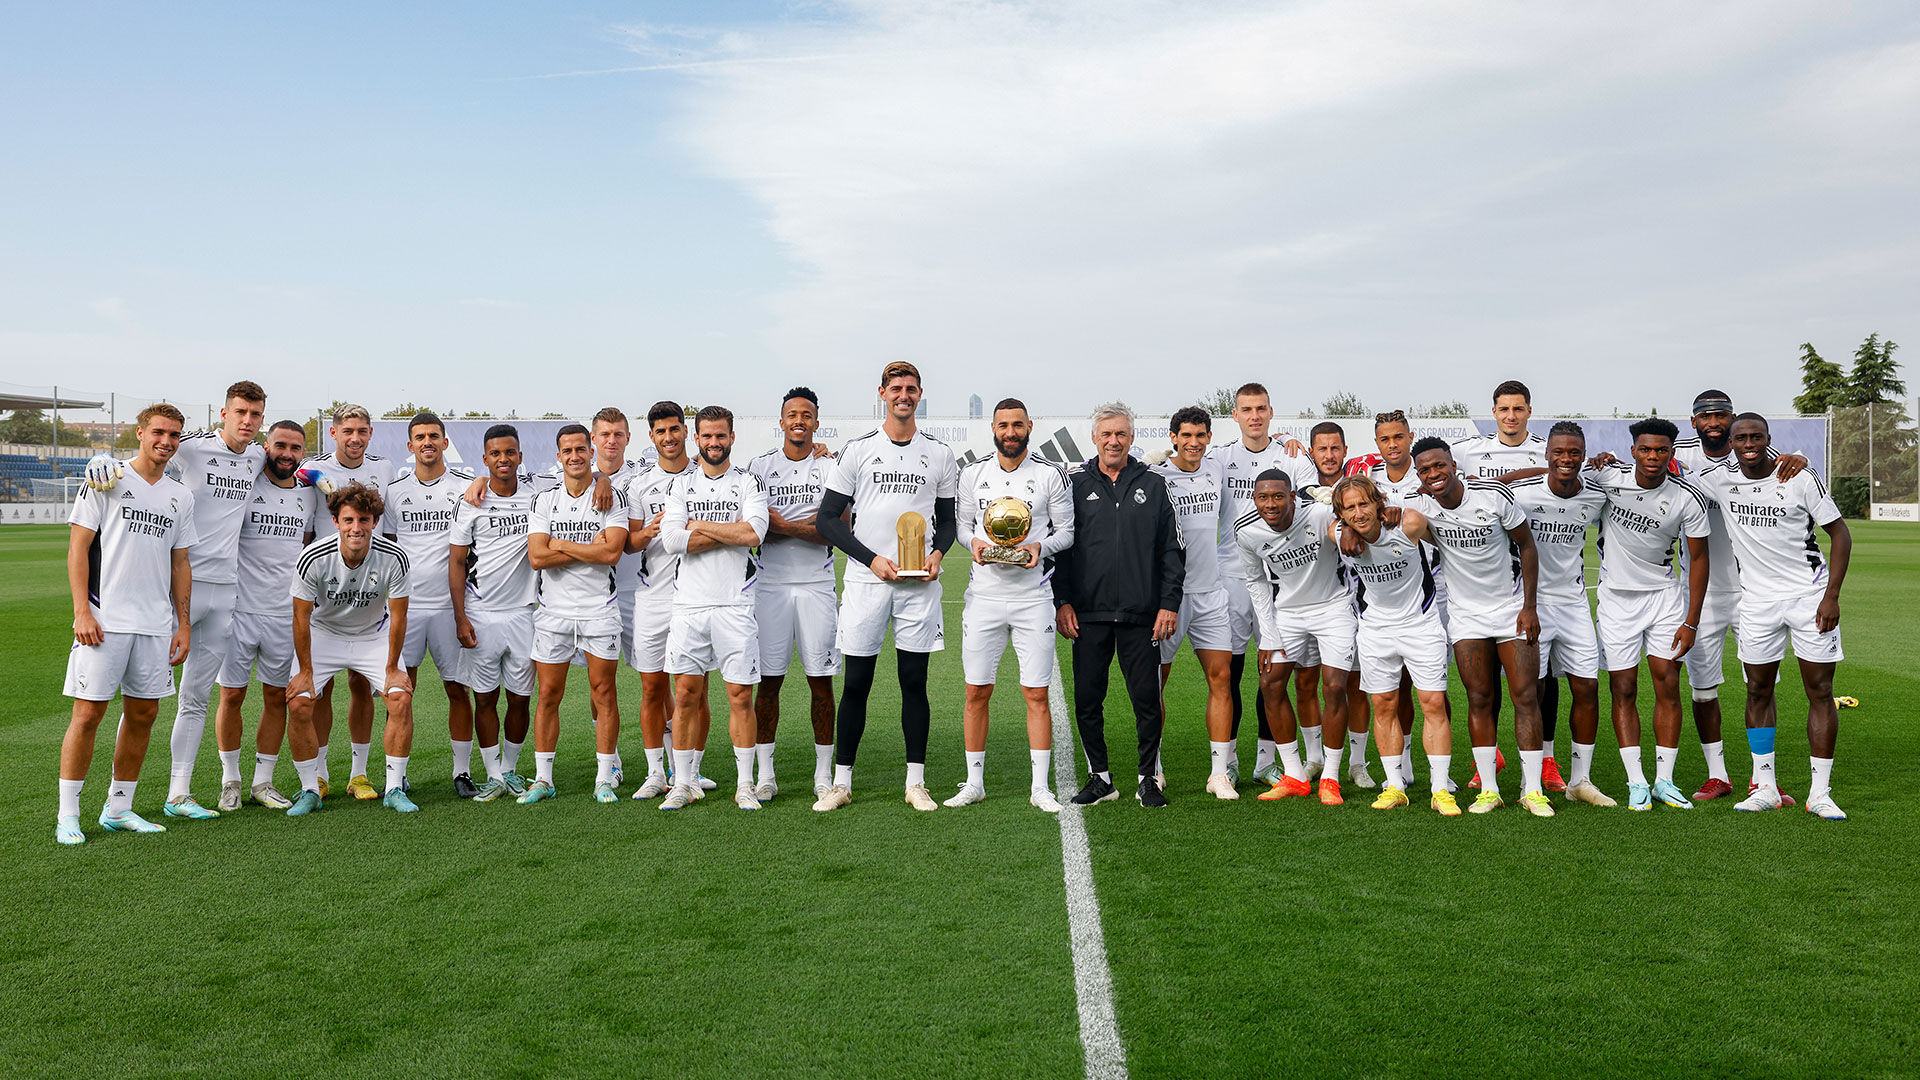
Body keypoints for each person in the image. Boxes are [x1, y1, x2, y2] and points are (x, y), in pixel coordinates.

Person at [84, 381, 266, 820]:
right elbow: (147, 454)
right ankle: (116, 800)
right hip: (174, 590)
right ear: (223, 413)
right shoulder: (191, 447)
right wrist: (102, 456)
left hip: (225, 593)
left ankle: (178, 794)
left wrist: (318, 478)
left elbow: (295, 465)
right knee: (140, 700)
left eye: (255, 415)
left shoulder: (258, 456)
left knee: (197, 697)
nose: (247, 421)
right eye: (239, 412)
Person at [812, 361, 960, 813]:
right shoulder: (858, 451)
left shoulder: (939, 454)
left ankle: (916, 782)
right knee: (856, 683)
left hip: (917, 586)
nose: (904, 395)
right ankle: (841, 783)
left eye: (911, 389)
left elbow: (949, 522)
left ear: (920, 394)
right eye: (896, 388)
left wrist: (936, 555)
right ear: (882, 393)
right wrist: (872, 560)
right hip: (866, 582)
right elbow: (826, 521)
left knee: (914, 682)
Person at [1695, 414, 1851, 819]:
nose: (1748, 443)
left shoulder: (1798, 476)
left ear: (1769, 439)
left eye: (1756, 436)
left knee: (1819, 691)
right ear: (1729, 443)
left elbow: (1840, 533)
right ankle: (1764, 785)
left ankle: (1820, 792)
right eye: (1740, 437)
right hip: (1757, 603)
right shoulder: (1718, 480)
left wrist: (1831, 597)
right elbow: (1663, 472)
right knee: (1757, 691)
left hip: (1808, 597)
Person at [55, 404, 196, 844]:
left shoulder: (180, 495)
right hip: (104, 620)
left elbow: (180, 562)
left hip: (154, 624)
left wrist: (183, 624)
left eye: (174, 435)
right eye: (158, 432)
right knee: (88, 714)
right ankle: (67, 815)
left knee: (143, 713)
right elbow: (78, 548)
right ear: (139, 432)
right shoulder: (106, 479)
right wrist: (82, 611)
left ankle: (119, 807)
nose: (166, 442)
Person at [1400, 437, 1551, 816]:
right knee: (1480, 699)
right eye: (1425, 470)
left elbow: (1528, 547)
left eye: (1439, 466)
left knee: (1525, 696)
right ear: (1418, 476)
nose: (1434, 474)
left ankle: (1532, 790)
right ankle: (1488, 789)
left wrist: (1530, 607)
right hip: (1466, 617)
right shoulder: (1420, 507)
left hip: (1511, 609)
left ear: (1453, 464)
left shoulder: (1493, 495)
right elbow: (1383, 515)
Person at [1055, 402, 1184, 808]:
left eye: (1121, 434)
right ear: (1094, 438)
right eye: (1106, 434)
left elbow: (1172, 550)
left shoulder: (1154, 484)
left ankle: (1148, 778)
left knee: (1146, 699)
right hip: (1088, 615)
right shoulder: (1074, 484)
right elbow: (1060, 550)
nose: (1114, 441)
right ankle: (1100, 778)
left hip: (1141, 615)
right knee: (1088, 699)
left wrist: (1168, 604)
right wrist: (1062, 602)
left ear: (1132, 438)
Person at [949, 398, 1075, 811]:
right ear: (993, 428)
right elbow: (963, 529)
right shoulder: (973, 474)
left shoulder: (1050, 474)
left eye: (1017, 424)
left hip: (1032, 597)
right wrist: (977, 544)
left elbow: (1068, 532)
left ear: (1029, 427)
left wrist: (1041, 545)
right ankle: (974, 782)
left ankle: (1040, 787)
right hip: (983, 597)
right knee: (975, 692)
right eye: (1003, 425)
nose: (1010, 432)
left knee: (1036, 693)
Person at [1593, 418, 1712, 811]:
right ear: (1632, 451)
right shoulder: (1608, 479)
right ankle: (1636, 781)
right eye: (1645, 449)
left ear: (1671, 454)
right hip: (1616, 603)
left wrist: (1691, 620)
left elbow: (1698, 558)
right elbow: (1556, 474)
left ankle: (1664, 779)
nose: (1653, 457)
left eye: (1661, 450)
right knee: (1623, 689)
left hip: (1664, 600)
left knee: (1667, 684)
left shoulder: (1686, 498)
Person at [657, 406, 770, 811]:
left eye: (721, 436)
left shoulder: (749, 482)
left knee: (740, 696)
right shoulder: (680, 487)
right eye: (707, 436)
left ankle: (745, 785)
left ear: (732, 438)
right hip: (688, 606)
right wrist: (727, 531)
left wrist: (698, 527)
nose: (714, 443)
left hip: (735, 605)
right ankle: (682, 784)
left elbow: (754, 532)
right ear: (697, 438)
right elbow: (671, 540)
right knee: (686, 694)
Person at [1328, 474, 1458, 814]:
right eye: (1350, 508)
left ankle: (1441, 789)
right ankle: (1395, 786)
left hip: (1421, 624)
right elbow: (1333, 529)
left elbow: (1426, 526)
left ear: (1377, 502)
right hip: (1375, 630)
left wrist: (1394, 512)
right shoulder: (1340, 533)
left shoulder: (1408, 523)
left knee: (1432, 703)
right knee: (1384, 705)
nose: (1358, 512)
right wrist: (1345, 531)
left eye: (1364, 503)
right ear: (1340, 514)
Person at [283, 483, 416, 815]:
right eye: (349, 520)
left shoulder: (394, 557)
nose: (356, 528)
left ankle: (395, 788)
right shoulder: (312, 556)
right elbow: (301, 616)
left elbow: (398, 616)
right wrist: (306, 672)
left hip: (372, 634)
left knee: (399, 698)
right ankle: (310, 788)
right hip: (324, 633)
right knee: (299, 704)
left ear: (374, 522)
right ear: (335, 522)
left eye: (364, 520)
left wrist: (392, 669)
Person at [1503, 422, 1616, 806]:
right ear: (1546, 454)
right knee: (1530, 692)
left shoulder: (1597, 496)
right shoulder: (1521, 494)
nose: (1566, 459)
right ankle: (1529, 782)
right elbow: (1490, 488)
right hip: (1528, 604)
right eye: (1558, 452)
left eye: (1574, 453)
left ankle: (1580, 781)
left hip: (1573, 604)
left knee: (1587, 687)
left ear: (1583, 455)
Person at [1208, 383, 1313, 785]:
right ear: (1234, 415)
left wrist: (1291, 442)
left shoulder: (1293, 457)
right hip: (1233, 577)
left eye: (1261, 409)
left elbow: (1308, 506)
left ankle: (1266, 760)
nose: (1254, 416)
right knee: (1230, 672)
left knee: (1274, 670)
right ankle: (1229, 759)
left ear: (1272, 412)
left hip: (1284, 582)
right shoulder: (1219, 459)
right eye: (1246, 409)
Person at [210, 419, 316, 810]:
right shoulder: (244, 486)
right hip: (237, 610)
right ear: (266, 446)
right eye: (280, 445)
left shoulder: (309, 495)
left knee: (276, 697)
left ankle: (263, 781)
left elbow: (305, 547)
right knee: (232, 695)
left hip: (283, 614)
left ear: (303, 453)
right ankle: (230, 780)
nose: (287, 454)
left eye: (295, 448)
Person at [1234, 469, 1356, 805]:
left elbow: (1343, 528)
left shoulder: (1317, 513)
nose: (1270, 504)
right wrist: (1269, 636)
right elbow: (1256, 581)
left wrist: (1341, 527)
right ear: (1254, 498)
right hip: (1288, 613)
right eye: (1262, 497)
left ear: (1292, 496)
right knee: (1271, 684)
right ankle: (1295, 775)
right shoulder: (1246, 531)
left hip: (1333, 607)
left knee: (1333, 686)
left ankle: (1330, 777)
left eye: (1277, 496)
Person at [524, 424, 630, 804]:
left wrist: (562, 544)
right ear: (558, 455)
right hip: (552, 612)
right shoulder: (543, 500)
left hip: (599, 610)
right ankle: (543, 779)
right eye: (567, 450)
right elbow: (537, 557)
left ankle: (604, 777)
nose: (574, 456)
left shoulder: (611, 497)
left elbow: (611, 554)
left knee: (603, 692)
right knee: (549, 693)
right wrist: (589, 547)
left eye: (580, 449)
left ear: (590, 452)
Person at [449, 424, 553, 801]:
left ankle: (510, 769)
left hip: (524, 613)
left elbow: (581, 473)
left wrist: (601, 481)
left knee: (521, 698)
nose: (503, 459)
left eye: (510, 452)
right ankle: (492, 774)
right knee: (484, 697)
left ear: (521, 456)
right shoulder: (469, 502)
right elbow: (457, 562)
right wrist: (461, 617)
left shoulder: (538, 497)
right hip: (481, 613)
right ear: (485, 459)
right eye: (495, 454)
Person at [746, 388, 841, 800]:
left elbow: (836, 528)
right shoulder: (759, 468)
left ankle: (823, 776)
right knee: (768, 683)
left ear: (816, 423)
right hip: (769, 586)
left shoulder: (830, 466)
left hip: (817, 586)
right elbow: (753, 526)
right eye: (792, 414)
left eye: (807, 415)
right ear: (781, 422)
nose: (799, 420)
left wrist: (783, 526)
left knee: (821, 682)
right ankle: (766, 773)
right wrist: (809, 525)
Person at [301, 403, 397, 801]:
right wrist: (319, 477)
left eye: (362, 431)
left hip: (367, 591)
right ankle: (319, 774)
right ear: (334, 433)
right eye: (347, 431)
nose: (355, 438)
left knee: (361, 684)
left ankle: (359, 774)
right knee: (318, 691)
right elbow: (297, 469)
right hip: (325, 590)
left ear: (370, 434)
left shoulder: (386, 469)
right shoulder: (314, 466)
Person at [384, 412, 479, 796]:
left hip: (448, 607)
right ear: (410, 446)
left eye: (434, 436)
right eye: (420, 437)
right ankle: (398, 776)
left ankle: (462, 772)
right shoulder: (394, 491)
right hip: (405, 608)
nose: (427, 442)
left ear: (445, 443)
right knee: (401, 693)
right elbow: (388, 547)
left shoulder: (466, 487)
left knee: (457, 690)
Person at [1153, 406, 1239, 798]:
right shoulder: (1155, 475)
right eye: (1186, 436)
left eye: (1201, 435)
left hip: (1210, 592)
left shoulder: (1216, 468)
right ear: (1173, 437)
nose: (1193, 443)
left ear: (1209, 437)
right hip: (1168, 596)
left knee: (1221, 678)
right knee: (1156, 681)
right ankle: (1152, 767)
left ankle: (1219, 773)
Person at [622, 402, 705, 799]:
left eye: (675, 429)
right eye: (661, 432)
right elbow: (628, 543)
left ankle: (691, 772)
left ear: (686, 431)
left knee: (694, 689)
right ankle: (657, 772)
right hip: (653, 597)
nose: (669, 437)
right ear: (651, 437)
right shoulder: (639, 485)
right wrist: (653, 530)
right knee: (653, 688)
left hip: (699, 596)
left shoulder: (708, 474)